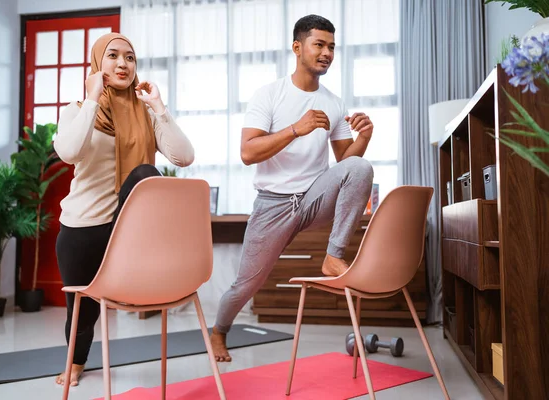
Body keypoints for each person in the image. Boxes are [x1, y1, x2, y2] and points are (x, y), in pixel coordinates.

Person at [210, 14, 375, 362]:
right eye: (320, 45)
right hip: (273, 204)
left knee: (361, 166)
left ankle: (333, 256)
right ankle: (219, 331)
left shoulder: (333, 102)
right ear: (297, 47)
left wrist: (365, 137)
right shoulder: (269, 95)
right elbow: (247, 153)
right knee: (246, 285)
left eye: (332, 46)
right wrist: (294, 130)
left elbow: (348, 164)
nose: (327, 53)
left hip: (314, 198)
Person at [53, 32, 194, 386]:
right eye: (113, 56)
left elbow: (184, 156)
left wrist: (159, 108)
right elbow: (69, 152)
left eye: (129, 58)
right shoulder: (76, 110)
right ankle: (75, 362)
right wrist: (91, 99)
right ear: (98, 63)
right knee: (81, 311)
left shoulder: (146, 114)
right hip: (83, 227)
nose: (122, 63)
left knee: (146, 172)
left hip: (128, 230)